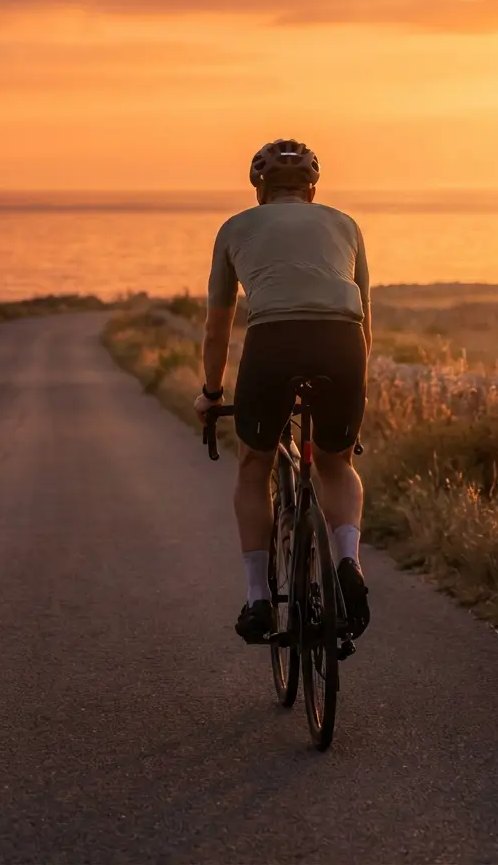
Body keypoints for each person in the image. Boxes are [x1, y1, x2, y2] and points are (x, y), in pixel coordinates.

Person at [193, 138, 372, 644]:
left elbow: (217, 328)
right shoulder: (345, 224)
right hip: (343, 344)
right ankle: (349, 562)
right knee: (337, 463)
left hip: (274, 341)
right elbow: (365, 318)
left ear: (259, 188)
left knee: (255, 464)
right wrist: (356, 388)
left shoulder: (235, 228)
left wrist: (211, 393)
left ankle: (257, 599)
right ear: (312, 189)